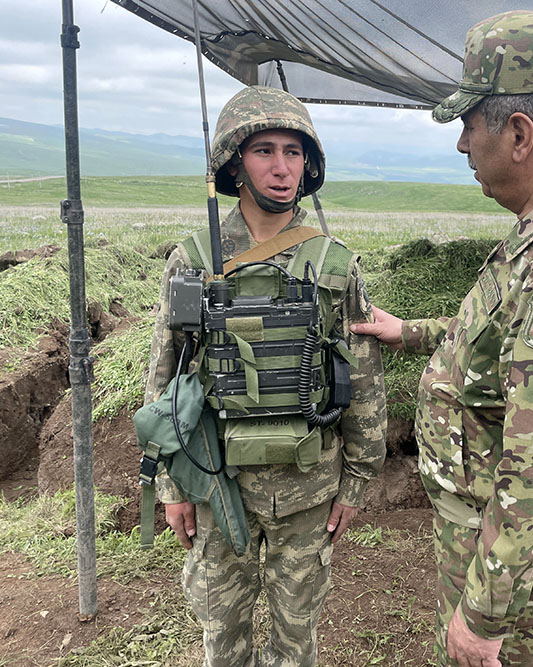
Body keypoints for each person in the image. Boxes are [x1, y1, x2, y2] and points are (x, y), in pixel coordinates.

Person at [351, 10, 533, 667]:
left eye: (468, 123)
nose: (461, 144)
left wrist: (483, 616)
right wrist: (409, 332)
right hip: (493, 546)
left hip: (509, 576)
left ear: (518, 134)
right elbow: (498, 342)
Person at [143, 86, 387, 667]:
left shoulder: (334, 265)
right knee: (222, 640)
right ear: (235, 164)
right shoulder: (194, 261)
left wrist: (357, 482)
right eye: (264, 151)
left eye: (293, 152)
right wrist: (171, 487)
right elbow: (166, 378)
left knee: (296, 643)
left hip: (307, 489)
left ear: (309, 164)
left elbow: (363, 383)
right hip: (216, 485)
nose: (282, 168)